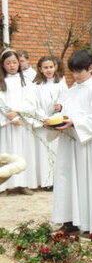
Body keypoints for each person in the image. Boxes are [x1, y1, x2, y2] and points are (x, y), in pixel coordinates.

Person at [52, 49, 92, 235]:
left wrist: (74, 122)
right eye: (73, 72)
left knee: (87, 182)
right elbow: (66, 110)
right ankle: (70, 219)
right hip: (70, 144)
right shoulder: (73, 89)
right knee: (67, 180)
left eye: (80, 71)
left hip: (87, 146)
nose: (76, 75)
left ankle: (89, 223)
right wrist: (57, 119)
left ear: (91, 68)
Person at [0, 49, 38, 195]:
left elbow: (31, 101)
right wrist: (10, 115)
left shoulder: (26, 82)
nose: (12, 66)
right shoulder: (1, 82)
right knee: (7, 154)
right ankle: (4, 185)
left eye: (14, 62)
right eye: (8, 63)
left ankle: (23, 183)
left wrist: (18, 113)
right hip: (7, 124)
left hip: (22, 123)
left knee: (23, 153)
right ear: (3, 65)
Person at [33, 56, 68, 191]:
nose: (48, 70)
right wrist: (44, 118)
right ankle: (47, 182)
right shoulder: (36, 85)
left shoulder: (61, 82)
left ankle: (59, 181)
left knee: (57, 152)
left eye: (51, 67)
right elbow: (34, 104)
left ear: (56, 67)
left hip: (57, 122)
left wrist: (61, 107)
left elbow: (66, 98)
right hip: (44, 123)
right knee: (45, 153)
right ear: (40, 69)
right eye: (45, 67)